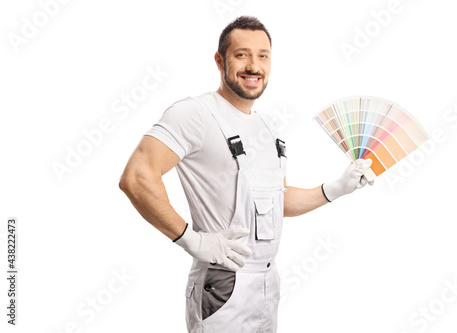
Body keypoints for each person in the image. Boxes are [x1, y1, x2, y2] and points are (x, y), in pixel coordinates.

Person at [119, 15, 373, 333]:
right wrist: (191, 240)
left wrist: (336, 188)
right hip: (223, 283)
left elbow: (278, 200)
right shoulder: (194, 113)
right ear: (220, 60)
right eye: (242, 55)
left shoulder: (268, 126)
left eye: (262, 56)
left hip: (268, 283)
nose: (254, 66)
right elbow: (137, 178)